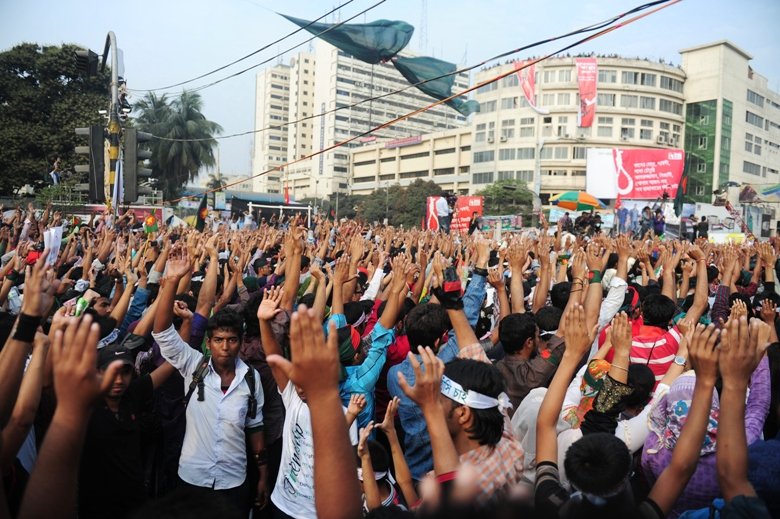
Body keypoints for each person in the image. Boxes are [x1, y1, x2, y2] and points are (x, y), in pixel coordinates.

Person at [152, 249, 268, 516]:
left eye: (231, 340)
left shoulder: (251, 379)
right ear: (208, 343)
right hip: (192, 477)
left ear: (240, 343)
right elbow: (162, 332)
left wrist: (262, 475)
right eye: (218, 340)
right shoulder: (194, 365)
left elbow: (256, 428)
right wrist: (170, 282)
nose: (225, 347)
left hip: (234, 482)